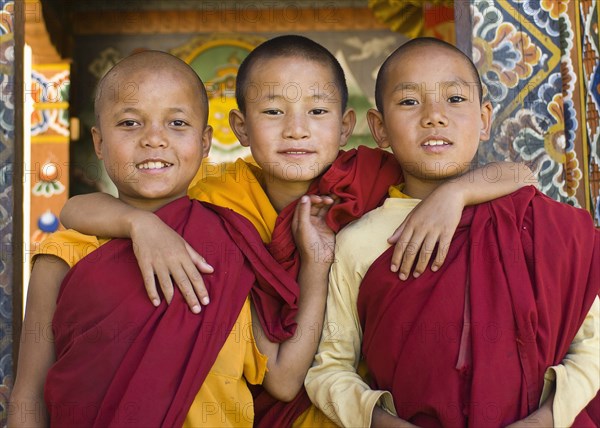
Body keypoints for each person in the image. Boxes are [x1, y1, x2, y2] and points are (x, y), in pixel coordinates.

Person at [58, 36, 537, 427]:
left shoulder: (376, 177)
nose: (296, 130)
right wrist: (138, 223)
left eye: (317, 111)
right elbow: (77, 209)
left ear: (348, 126)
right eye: (272, 113)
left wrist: (453, 196)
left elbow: (521, 174)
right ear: (239, 129)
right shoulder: (215, 200)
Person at [9, 50, 337, 427]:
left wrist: (316, 264)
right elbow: (29, 393)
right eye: (130, 123)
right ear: (98, 143)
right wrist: (139, 225)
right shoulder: (65, 254)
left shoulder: (229, 245)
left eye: (177, 123)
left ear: (205, 142)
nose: (154, 140)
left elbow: (282, 377)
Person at [305, 37, 600, 428]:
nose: (434, 116)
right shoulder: (360, 241)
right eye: (409, 102)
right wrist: (379, 421)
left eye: (455, 100)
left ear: (485, 119)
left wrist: (545, 420)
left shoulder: (542, 223)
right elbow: (329, 368)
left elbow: (592, 347)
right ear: (379, 129)